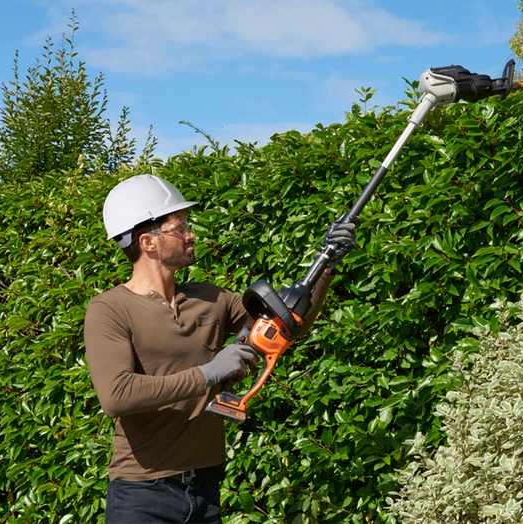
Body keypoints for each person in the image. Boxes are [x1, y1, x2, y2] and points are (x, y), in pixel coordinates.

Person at [84, 174, 356, 523]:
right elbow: (117, 395)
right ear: (148, 241)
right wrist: (208, 373)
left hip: (205, 488)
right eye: (179, 227)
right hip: (142, 495)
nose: (190, 234)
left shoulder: (209, 298)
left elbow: (286, 325)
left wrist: (327, 266)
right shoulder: (110, 309)